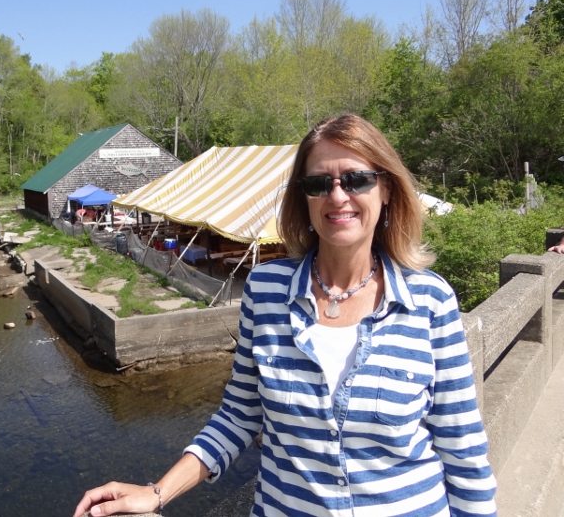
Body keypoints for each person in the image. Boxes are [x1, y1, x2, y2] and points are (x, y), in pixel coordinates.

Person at [72, 114, 497, 517]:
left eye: (357, 179)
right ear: (303, 198)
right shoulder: (266, 290)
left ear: (386, 189)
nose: (337, 196)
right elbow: (240, 415)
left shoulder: (430, 300)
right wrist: (157, 492)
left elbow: (463, 452)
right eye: (318, 183)